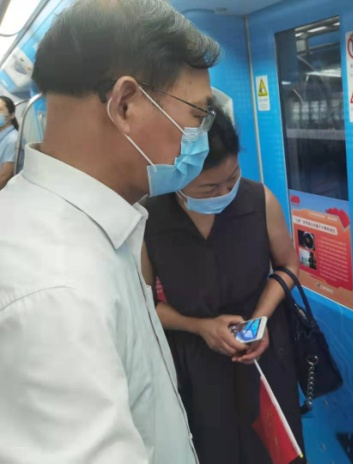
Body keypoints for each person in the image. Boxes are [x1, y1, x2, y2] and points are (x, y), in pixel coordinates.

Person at [0, 0, 220, 462]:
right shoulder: (56, 291)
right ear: (125, 105)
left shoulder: (92, 229)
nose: (201, 136)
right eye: (198, 115)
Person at [142, 106, 305, 463]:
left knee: (273, 450)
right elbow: (144, 305)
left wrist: (260, 319)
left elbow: (288, 266)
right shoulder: (149, 219)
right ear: (178, 177)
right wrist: (200, 327)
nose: (225, 191)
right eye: (209, 187)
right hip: (196, 366)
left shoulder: (258, 200)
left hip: (263, 355)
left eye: (232, 178)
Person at [0, 95, 19, 189]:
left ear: (11, 115)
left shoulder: (13, 140)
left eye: (0, 110)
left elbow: (4, 177)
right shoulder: (3, 137)